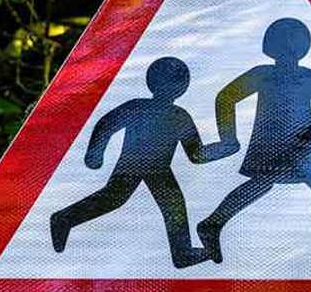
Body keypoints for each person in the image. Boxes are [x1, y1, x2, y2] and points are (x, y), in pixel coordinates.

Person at [197, 16, 311, 268]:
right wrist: (228, 139)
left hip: (304, 144)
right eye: (287, 42)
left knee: (310, 183)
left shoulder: (308, 78)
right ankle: (212, 223)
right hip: (273, 141)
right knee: (269, 183)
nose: (290, 48)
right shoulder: (264, 75)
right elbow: (225, 97)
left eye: (294, 42)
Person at [50, 56, 237, 266]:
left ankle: (182, 252)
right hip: (133, 164)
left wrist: (224, 148)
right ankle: (63, 218)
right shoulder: (142, 108)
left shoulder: (178, 115)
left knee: (173, 204)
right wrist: (94, 154)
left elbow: (196, 154)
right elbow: (107, 124)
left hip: (158, 169)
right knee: (114, 199)